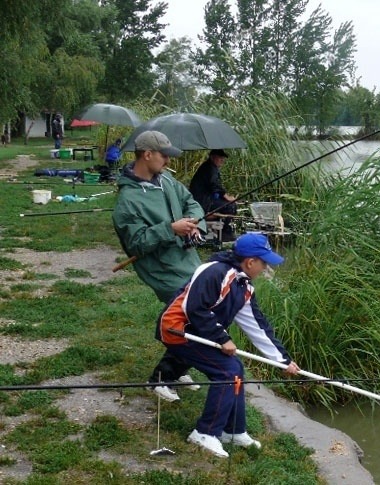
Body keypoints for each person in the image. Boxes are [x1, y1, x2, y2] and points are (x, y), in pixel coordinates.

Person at [156, 232, 300, 457]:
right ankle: (204, 433)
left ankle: (233, 430)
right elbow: (195, 308)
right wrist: (222, 338)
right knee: (226, 371)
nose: (265, 269)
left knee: (235, 368)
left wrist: (283, 360)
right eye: (264, 263)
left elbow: (257, 327)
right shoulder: (214, 271)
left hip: (199, 331)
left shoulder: (244, 285)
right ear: (250, 262)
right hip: (177, 330)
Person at [112, 130, 206, 402]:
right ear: (147, 154)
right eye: (164, 155)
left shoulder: (167, 180)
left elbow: (193, 204)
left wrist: (193, 220)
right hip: (161, 269)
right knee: (193, 313)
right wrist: (171, 228)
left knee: (197, 311)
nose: (167, 160)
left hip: (188, 260)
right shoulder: (127, 202)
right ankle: (161, 378)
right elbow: (137, 243)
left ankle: (178, 368)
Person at [189, 149, 238, 242]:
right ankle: (225, 233)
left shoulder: (209, 167)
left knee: (226, 204)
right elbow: (214, 185)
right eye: (220, 158)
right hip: (202, 201)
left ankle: (222, 229)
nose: (222, 160)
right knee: (230, 206)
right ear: (212, 157)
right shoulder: (210, 168)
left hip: (204, 199)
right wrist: (226, 196)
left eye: (223, 158)